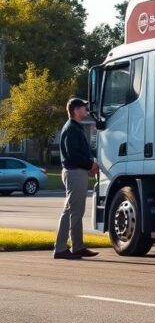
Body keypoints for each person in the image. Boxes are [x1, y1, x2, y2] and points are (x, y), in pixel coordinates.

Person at [54, 97, 99, 260]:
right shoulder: (71, 128)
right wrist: (90, 164)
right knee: (72, 211)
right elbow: (73, 155)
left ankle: (77, 246)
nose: (86, 110)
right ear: (75, 110)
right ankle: (60, 249)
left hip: (77, 172)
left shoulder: (75, 128)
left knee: (76, 211)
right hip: (74, 172)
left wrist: (90, 162)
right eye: (84, 107)